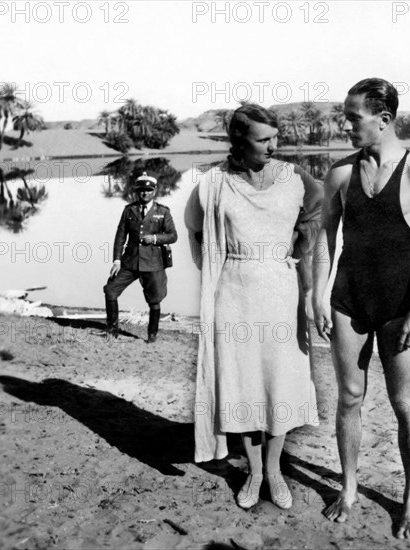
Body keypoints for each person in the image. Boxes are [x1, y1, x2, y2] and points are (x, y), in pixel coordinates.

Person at [312, 78, 410, 539]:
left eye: (353, 118)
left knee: (404, 402)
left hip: (398, 304)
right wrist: (317, 295)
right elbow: (323, 240)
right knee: (349, 397)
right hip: (348, 301)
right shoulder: (341, 173)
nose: (346, 125)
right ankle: (349, 489)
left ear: (383, 119)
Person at [185, 104, 323, 510]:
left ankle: (276, 470)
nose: (273, 146)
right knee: (243, 383)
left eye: (275, 137)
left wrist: (301, 252)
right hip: (235, 294)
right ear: (239, 141)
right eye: (264, 139)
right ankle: (255, 472)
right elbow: (196, 228)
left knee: (278, 382)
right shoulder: (213, 184)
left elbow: (317, 214)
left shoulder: (294, 177)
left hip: (282, 293)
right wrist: (215, 266)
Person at [103, 171, 178, 343]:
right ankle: (112, 329)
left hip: (153, 263)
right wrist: (116, 260)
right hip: (130, 261)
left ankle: (152, 335)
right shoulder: (129, 210)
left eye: (149, 190)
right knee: (110, 290)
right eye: (141, 190)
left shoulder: (162, 212)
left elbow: (173, 236)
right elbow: (120, 236)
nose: (145, 193)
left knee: (155, 299)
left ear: (155, 191)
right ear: (137, 191)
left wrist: (155, 238)